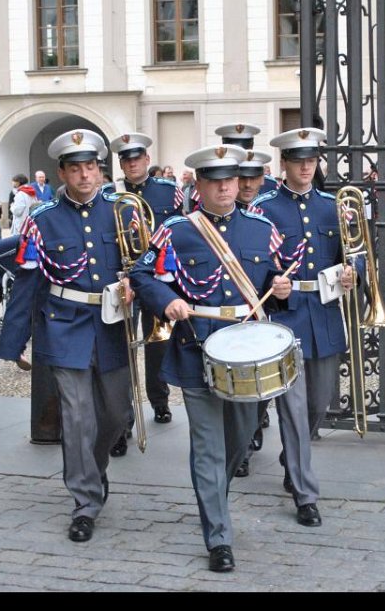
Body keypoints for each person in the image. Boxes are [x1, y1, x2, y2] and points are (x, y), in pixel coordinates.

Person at [130, 143, 292, 573]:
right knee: (206, 446)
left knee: (238, 441)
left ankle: (214, 497)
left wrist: (279, 288)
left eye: (230, 181)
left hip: (247, 351)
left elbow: (271, 278)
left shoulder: (262, 229)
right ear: (199, 185)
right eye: (215, 182)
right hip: (197, 348)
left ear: (240, 183)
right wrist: (167, 301)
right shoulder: (178, 230)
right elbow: (142, 275)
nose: (224, 189)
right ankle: (219, 536)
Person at [0, 129, 131, 544]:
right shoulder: (41, 220)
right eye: (76, 169)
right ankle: (85, 501)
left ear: (100, 170)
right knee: (76, 417)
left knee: (116, 415)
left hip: (111, 325)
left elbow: (143, 267)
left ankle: (94, 469)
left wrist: (137, 289)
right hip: (63, 324)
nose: (85, 176)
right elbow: (27, 281)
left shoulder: (124, 212)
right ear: (62, 173)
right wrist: (14, 338)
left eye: (91, 167)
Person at [251, 127, 357, 530]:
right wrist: (270, 283)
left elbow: (358, 253)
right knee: (293, 410)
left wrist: (354, 272)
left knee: (318, 404)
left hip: (325, 313)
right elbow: (253, 263)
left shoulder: (334, 206)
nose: (307, 166)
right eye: (299, 160)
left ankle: (291, 459)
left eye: (312, 159)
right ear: (285, 164)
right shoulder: (264, 208)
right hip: (287, 315)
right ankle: (304, 493)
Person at [105, 132, 183, 456]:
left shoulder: (169, 191)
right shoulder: (110, 195)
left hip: (157, 279)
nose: (132, 163)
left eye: (137, 158)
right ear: (121, 164)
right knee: (121, 349)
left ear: (147, 160)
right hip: (123, 281)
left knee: (158, 344)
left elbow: (182, 229)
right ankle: (122, 422)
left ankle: (160, 399)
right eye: (126, 159)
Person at [232, 148, 273, 478]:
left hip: (270, 305)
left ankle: (255, 423)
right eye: (240, 178)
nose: (247, 184)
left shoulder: (269, 211)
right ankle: (242, 447)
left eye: (253, 178)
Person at [215, 122, 279, 196]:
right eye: (234, 151)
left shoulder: (269, 185)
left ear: (251, 148)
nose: (240, 154)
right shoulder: (214, 182)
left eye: (244, 150)